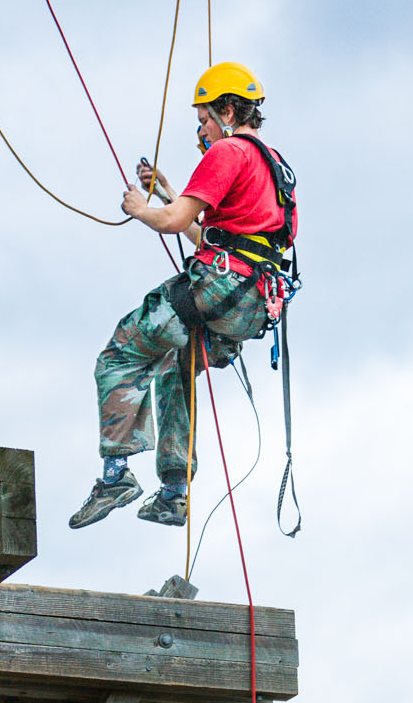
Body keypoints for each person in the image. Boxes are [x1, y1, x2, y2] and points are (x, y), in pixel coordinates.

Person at [69, 61, 297, 529]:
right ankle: (174, 492)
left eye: (204, 120)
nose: (203, 131)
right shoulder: (274, 168)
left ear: (228, 110)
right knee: (174, 366)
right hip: (251, 305)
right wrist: (171, 191)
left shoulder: (229, 152)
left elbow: (174, 223)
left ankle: (116, 475)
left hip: (217, 290)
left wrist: (141, 208)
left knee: (119, 355)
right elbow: (215, 237)